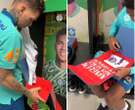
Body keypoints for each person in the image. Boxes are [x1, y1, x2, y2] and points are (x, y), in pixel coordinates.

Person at [0, 0, 44, 110]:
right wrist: (28, 93)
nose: (30, 24)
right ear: (22, 9)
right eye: (31, 19)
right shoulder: (12, 34)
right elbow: (4, 77)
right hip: (9, 99)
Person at [90, 0, 134, 110]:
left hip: (131, 68)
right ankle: (105, 103)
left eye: (134, 15)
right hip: (118, 56)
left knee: (111, 97)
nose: (132, 18)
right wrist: (111, 37)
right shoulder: (125, 12)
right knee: (92, 81)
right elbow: (115, 25)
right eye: (130, 14)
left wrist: (129, 71)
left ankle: (124, 107)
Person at [68, 0, 89, 94]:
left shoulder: (85, 15)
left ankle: (81, 82)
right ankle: (73, 80)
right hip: (69, 43)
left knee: (81, 59)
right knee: (69, 58)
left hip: (83, 44)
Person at [42, 28, 66, 110]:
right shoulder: (46, 67)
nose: (63, 48)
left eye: (67, 44)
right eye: (60, 43)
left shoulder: (73, 71)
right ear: (55, 45)